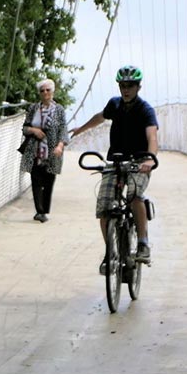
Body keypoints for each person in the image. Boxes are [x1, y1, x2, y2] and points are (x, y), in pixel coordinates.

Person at [69, 64, 159, 271]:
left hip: (139, 162)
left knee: (134, 195)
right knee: (104, 207)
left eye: (130, 85)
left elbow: (152, 136)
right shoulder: (115, 104)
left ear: (138, 87)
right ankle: (111, 253)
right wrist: (81, 129)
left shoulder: (145, 110)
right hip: (116, 161)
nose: (126, 89)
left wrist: (150, 159)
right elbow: (100, 117)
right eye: (122, 85)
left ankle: (143, 244)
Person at [19, 78, 69, 222]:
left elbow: (63, 129)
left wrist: (60, 146)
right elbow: (25, 128)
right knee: (36, 180)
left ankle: (44, 210)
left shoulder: (59, 110)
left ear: (52, 91)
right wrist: (34, 130)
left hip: (52, 151)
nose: (45, 93)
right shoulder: (33, 108)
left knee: (48, 182)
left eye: (48, 90)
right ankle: (39, 211)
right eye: (42, 90)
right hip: (34, 150)